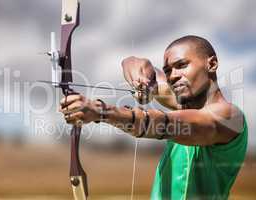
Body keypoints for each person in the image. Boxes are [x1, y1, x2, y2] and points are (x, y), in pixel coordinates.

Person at [58, 35, 247, 199]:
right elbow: (132, 62)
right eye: (168, 70)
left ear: (211, 64)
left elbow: (166, 124)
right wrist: (143, 79)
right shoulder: (182, 102)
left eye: (181, 65)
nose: (173, 76)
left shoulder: (229, 116)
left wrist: (101, 111)